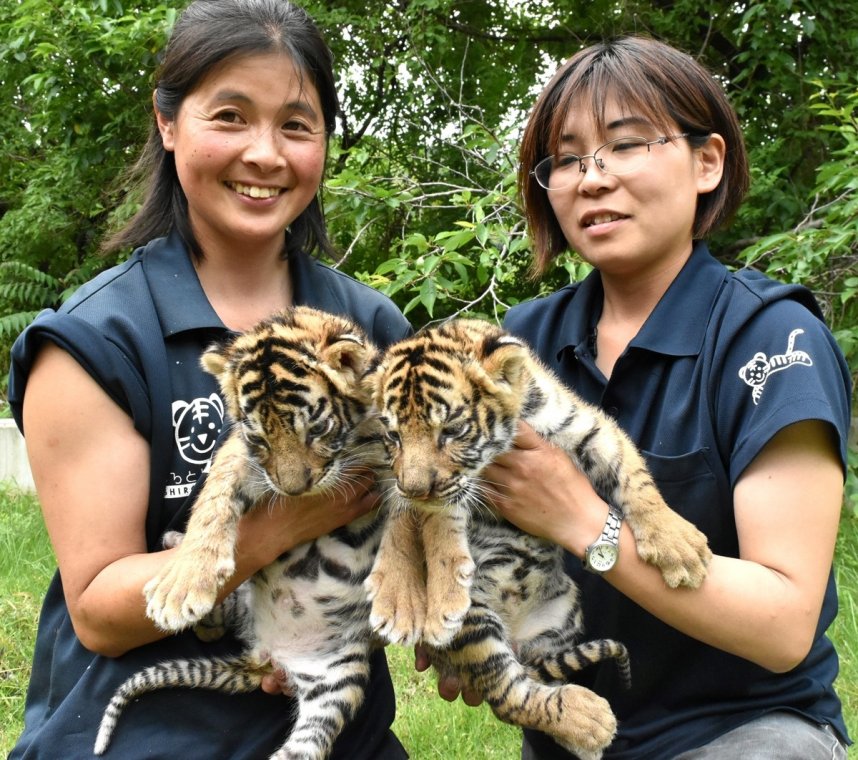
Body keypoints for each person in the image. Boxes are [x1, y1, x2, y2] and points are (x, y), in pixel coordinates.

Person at [425, 36, 852, 759]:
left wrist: (582, 518)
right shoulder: (521, 343)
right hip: (577, 733)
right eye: (566, 159)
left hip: (747, 732)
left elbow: (784, 625)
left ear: (707, 162)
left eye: (626, 146)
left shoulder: (772, 338)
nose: (592, 179)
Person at [7, 1, 410, 758]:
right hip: (144, 735)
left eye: (296, 125)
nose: (265, 154)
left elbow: (412, 509)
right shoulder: (96, 340)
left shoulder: (367, 326)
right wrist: (278, 529)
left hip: (336, 728)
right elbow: (101, 610)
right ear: (167, 123)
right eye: (230, 116)